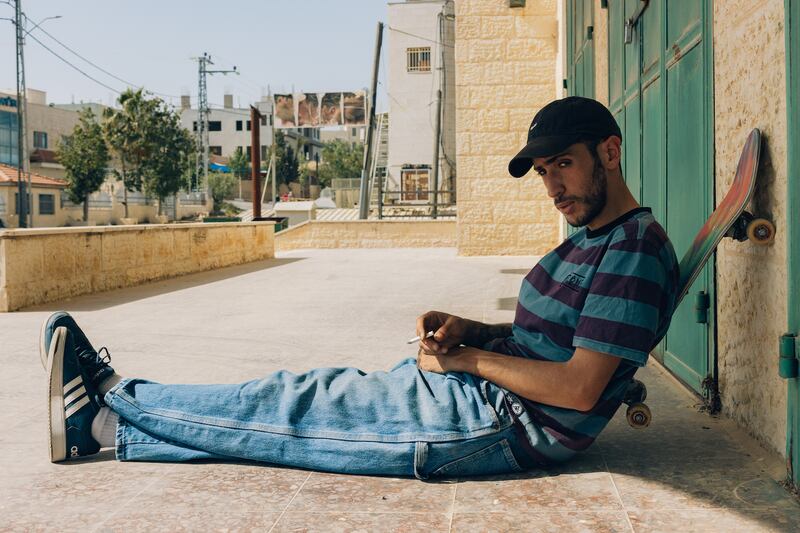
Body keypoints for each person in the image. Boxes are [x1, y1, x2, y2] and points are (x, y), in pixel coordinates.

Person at [41, 97, 679, 477]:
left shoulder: (632, 250)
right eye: (543, 172)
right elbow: (555, 339)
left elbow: (579, 384)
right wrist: (476, 332)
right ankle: (97, 428)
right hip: (482, 393)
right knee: (299, 411)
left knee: (293, 407)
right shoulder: (594, 238)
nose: (553, 187)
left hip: (500, 423)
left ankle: (119, 396)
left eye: (563, 164)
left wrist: (468, 359)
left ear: (610, 153)